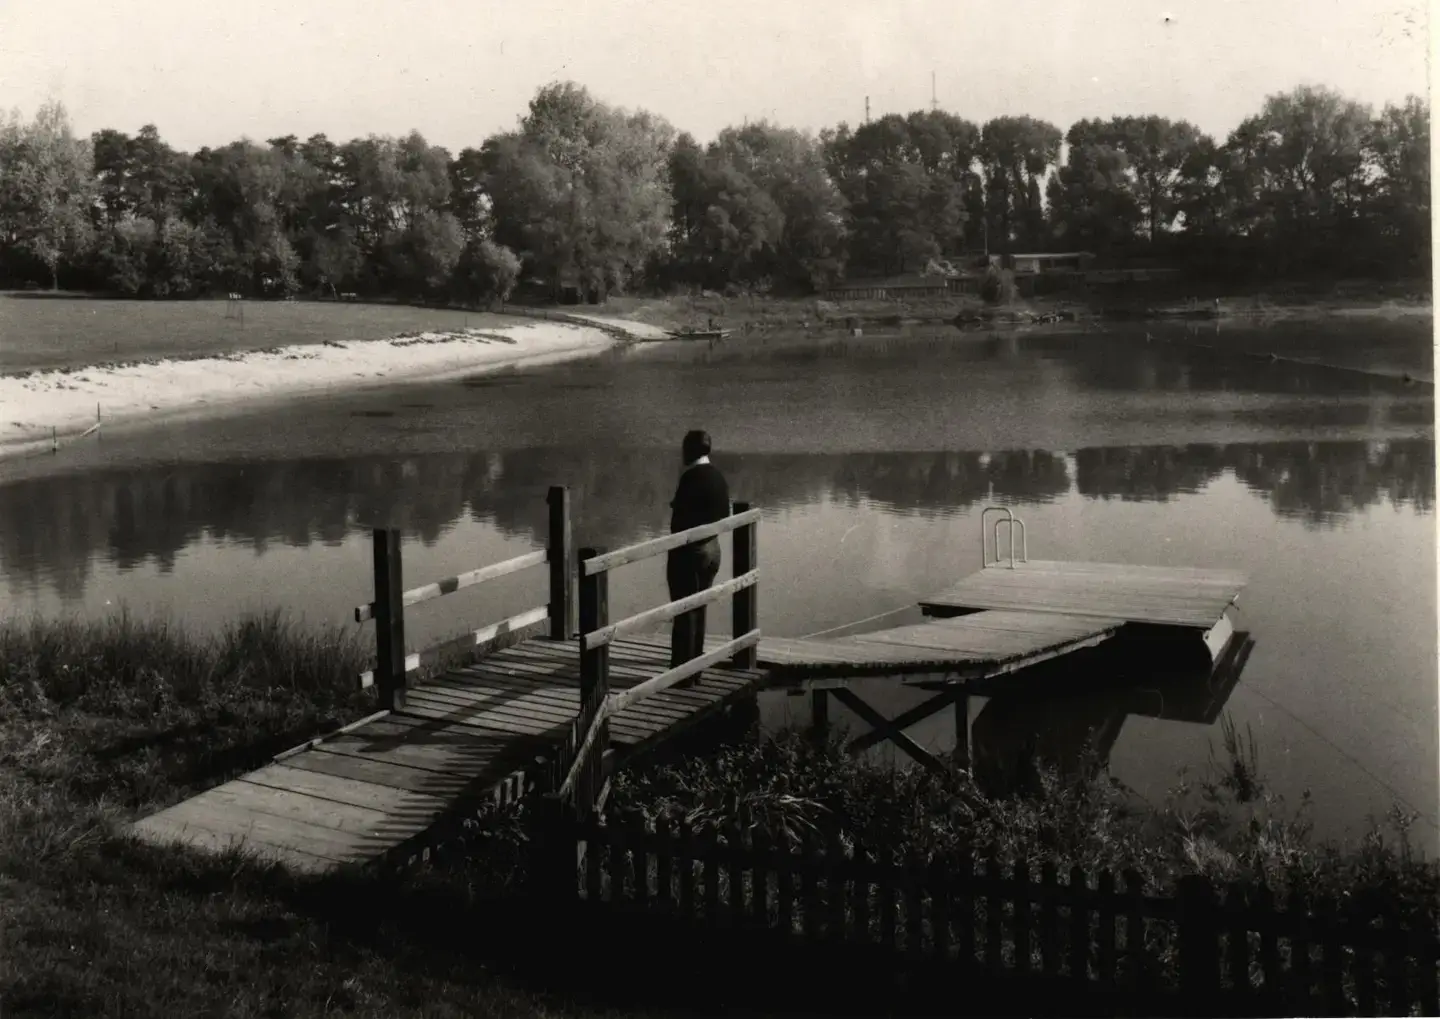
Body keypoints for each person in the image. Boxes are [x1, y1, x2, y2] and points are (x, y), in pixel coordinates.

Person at [667, 429, 730, 671]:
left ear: (692, 450)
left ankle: (681, 672)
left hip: (691, 552)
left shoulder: (691, 478)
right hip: (713, 549)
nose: (682, 452)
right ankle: (695, 669)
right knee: (699, 609)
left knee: (683, 611)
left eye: (685, 447)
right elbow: (723, 512)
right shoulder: (717, 476)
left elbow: (681, 518)